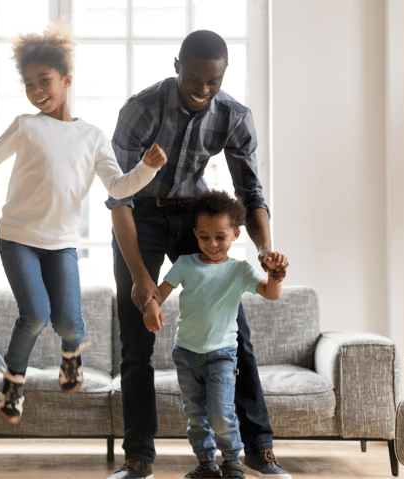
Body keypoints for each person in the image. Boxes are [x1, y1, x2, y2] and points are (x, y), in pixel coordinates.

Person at [0, 24, 166, 425]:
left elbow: (118, 186)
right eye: (29, 83)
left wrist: (146, 169)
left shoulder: (92, 136)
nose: (37, 90)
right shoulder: (25, 126)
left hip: (61, 243)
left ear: (67, 80)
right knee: (35, 314)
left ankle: (72, 352)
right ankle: (13, 382)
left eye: (44, 81)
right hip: (17, 239)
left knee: (66, 322)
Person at [107, 30, 291, 479]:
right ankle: (139, 458)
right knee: (137, 338)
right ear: (176, 66)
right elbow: (118, 199)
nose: (202, 90)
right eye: (194, 78)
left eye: (213, 82)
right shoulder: (141, 109)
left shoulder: (233, 115)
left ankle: (259, 448)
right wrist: (140, 276)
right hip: (141, 218)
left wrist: (265, 249)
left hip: (193, 218)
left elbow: (250, 192)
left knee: (235, 333)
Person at [142, 190, 285, 479]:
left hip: (221, 356)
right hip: (185, 354)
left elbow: (271, 294)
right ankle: (206, 465)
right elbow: (160, 293)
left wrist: (275, 275)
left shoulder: (240, 270)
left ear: (235, 233)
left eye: (220, 237)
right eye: (204, 237)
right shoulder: (185, 264)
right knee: (196, 417)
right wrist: (151, 307)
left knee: (221, 415)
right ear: (195, 233)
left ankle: (232, 462)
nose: (212, 244)